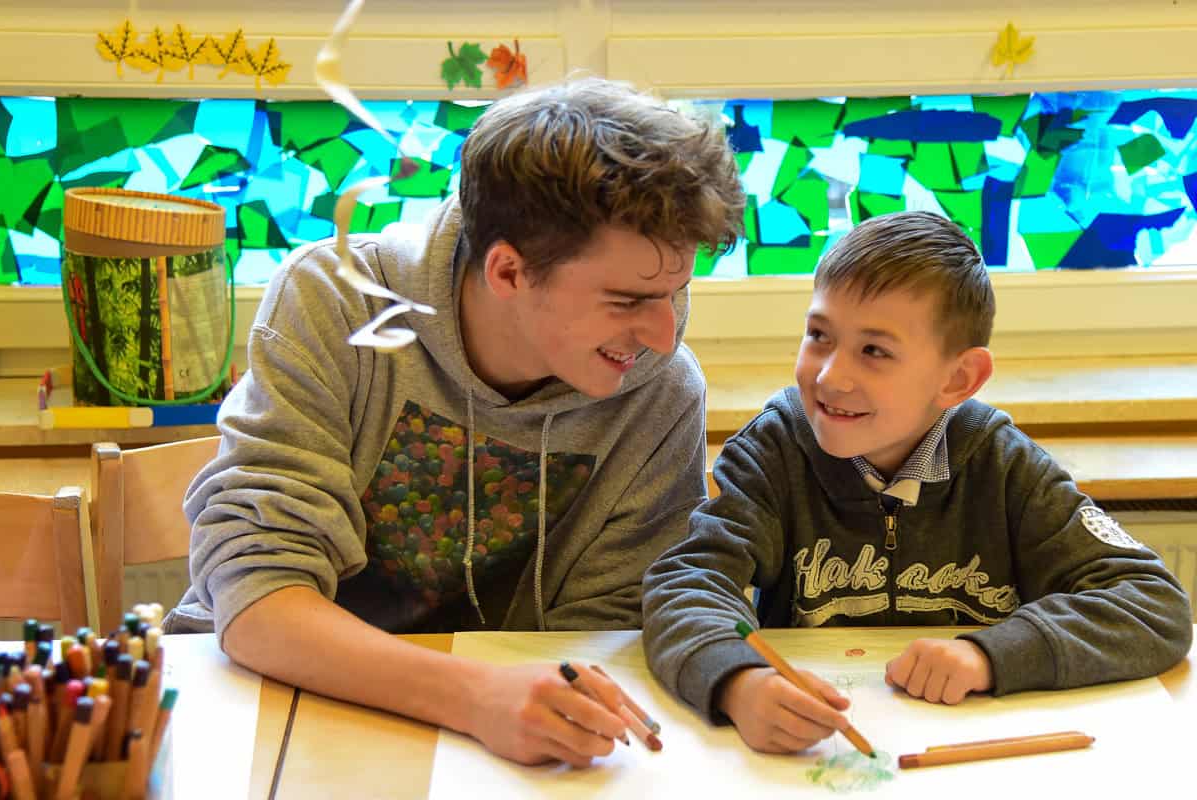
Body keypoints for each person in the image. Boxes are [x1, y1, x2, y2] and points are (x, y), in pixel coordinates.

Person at [164, 77, 745, 767]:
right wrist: (473, 697)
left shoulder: (661, 393)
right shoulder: (336, 301)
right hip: (278, 696)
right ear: (508, 271)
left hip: (501, 738)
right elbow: (258, 595)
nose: (662, 335)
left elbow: (608, 635)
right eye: (627, 300)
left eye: (676, 292)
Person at [641, 210, 1192, 755]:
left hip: (974, 751)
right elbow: (685, 584)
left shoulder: (1006, 467)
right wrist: (740, 681)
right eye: (819, 335)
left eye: (874, 351)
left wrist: (988, 655)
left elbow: (1152, 604)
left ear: (958, 379)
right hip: (818, 757)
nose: (831, 375)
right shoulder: (772, 453)